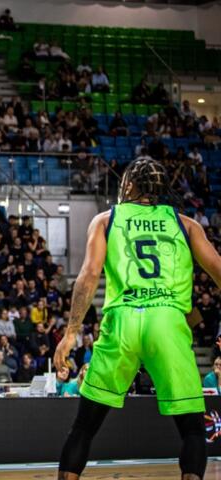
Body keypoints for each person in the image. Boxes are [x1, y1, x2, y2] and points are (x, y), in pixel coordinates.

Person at [54, 157, 219, 480]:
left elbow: (88, 275)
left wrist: (71, 332)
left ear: (129, 185)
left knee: (84, 427)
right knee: (193, 431)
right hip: (168, 323)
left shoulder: (105, 220)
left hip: (122, 320)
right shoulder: (187, 225)